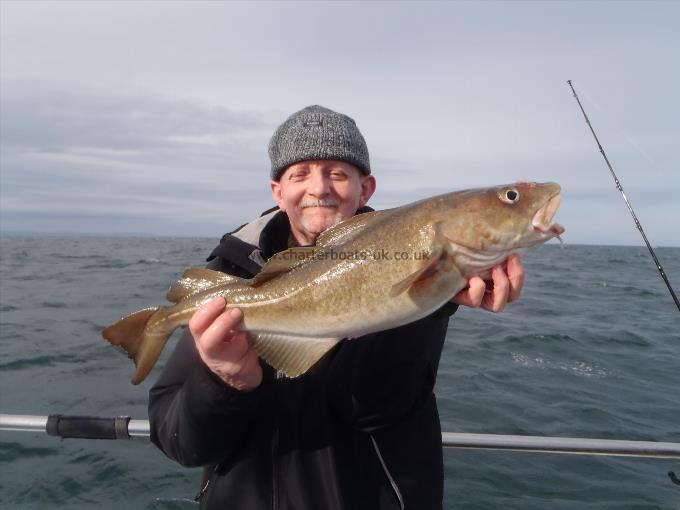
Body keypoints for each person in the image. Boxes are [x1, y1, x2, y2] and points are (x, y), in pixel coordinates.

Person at [148, 105, 524, 510]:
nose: (319, 188)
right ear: (278, 191)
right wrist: (224, 380)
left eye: (338, 173)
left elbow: (381, 411)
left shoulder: (412, 259)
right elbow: (181, 444)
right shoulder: (230, 278)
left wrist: (433, 300)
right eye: (300, 173)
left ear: (367, 188)